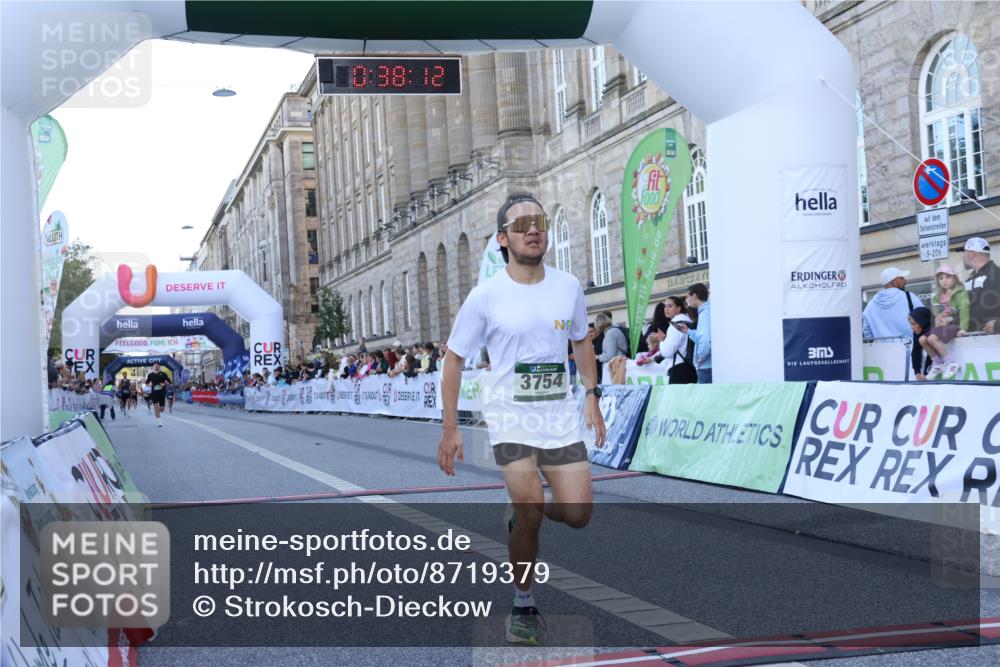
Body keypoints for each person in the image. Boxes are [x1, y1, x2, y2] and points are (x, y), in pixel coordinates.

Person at [438, 193, 606, 646]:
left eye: (540, 221)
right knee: (532, 508)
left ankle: (520, 508)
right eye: (522, 224)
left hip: (557, 416)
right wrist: (451, 428)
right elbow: (453, 358)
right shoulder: (486, 296)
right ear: (503, 239)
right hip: (510, 416)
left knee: (578, 513)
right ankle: (524, 602)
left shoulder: (568, 286)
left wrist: (591, 394)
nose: (534, 229)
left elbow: (581, 343)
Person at [919, 263, 971, 380]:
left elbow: (964, 310)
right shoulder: (939, 295)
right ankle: (937, 363)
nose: (944, 281)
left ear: (955, 278)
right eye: (941, 278)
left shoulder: (960, 293)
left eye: (948, 277)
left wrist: (963, 328)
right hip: (943, 325)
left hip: (954, 324)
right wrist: (939, 317)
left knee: (932, 339)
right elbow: (936, 310)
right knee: (922, 339)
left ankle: (951, 362)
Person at [862, 267, 924, 339]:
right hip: (909, 348)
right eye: (901, 278)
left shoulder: (871, 304)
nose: (905, 281)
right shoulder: (909, 297)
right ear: (894, 282)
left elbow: (867, 331)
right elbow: (924, 321)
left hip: (882, 348)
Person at [674, 283, 712, 383]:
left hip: (705, 367)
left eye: (688, 296)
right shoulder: (706, 312)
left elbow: (705, 340)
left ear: (694, 296)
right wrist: (688, 331)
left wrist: (701, 356)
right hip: (706, 366)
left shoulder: (705, 313)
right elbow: (702, 337)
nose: (687, 300)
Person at [962, 237, 1000, 333]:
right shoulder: (970, 280)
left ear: (972, 254)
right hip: (973, 340)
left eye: (964, 252)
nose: (963, 256)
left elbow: (985, 309)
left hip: (992, 342)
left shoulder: (995, 275)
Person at [908, 307, 934, 381]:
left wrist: (925, 373)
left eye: (914, 324)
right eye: (910, 324)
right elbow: (915, 351)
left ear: (923, 322)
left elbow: (931, 352)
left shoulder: (932, 330)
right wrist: (917, 372)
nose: (911, 327)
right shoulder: (917, 332)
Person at [146, 363, 170, 427]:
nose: (156, 366)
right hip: (154, 393)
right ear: (153, 367)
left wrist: (164, 384)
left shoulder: (164, 374)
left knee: (162, 409)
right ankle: (159, 422)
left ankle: (157, 412)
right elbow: (146, 383)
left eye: (157, 365)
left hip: (162, 393)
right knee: (156, 407)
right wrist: (149, 385)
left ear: (159, 367)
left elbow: (169, 381)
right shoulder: (150, 375)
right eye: (155, 365)